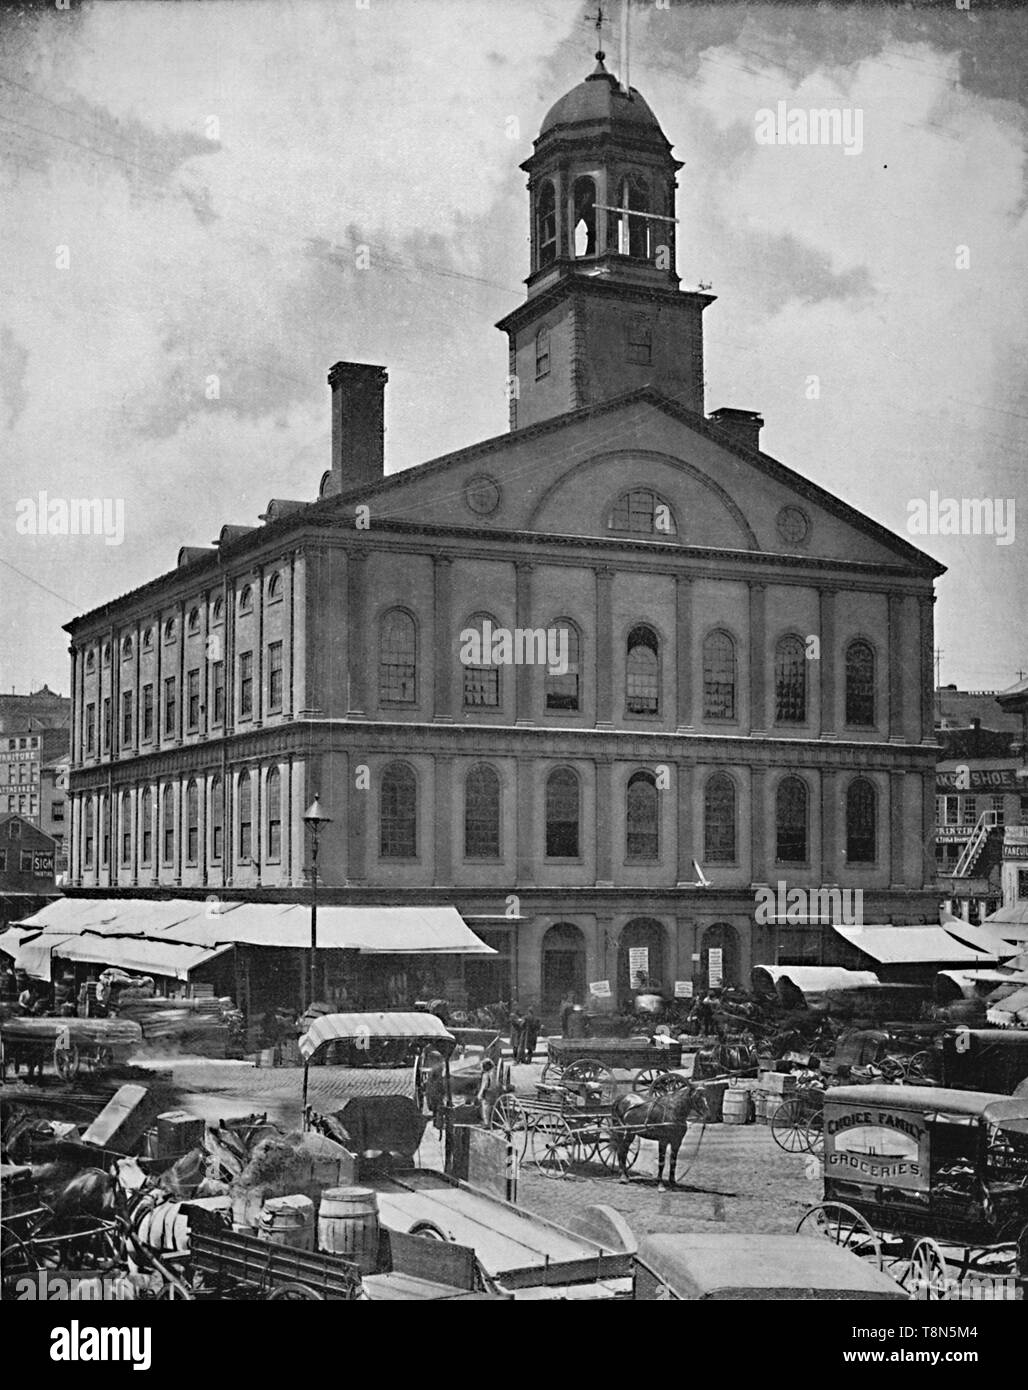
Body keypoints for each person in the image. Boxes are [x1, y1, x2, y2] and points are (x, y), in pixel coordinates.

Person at [477, 1058, 503, 1127]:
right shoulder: (495, 1071)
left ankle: (486, 1123)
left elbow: (485, 1085)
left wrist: (480, 1094)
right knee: (494, 1107)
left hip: (488, 1093)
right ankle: (494, 1121)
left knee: (485, 1107)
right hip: (496, 1093)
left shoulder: (486, 1074)